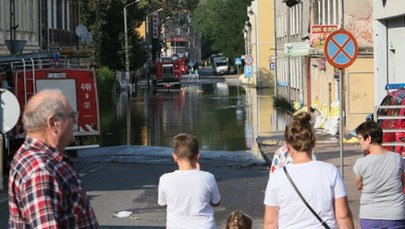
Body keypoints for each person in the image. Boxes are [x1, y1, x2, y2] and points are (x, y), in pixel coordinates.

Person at [8, 89, 99, 228]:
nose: (75, 120)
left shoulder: (42, 160)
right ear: (53, 123)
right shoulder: (40, 171)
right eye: (71, 115)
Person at [263, 111, 354, 229]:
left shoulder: (277, 177)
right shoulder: (330, 172)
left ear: (287, 145)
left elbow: (271, 222)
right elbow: (343, 216)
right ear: (314, 142)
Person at [158, 133, 221, 229]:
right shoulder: (208, 178)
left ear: (174, 156)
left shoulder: (164, 179)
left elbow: (163, 203)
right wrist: (198, 174)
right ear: (197, 156)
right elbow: (216, 202)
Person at [353, 120, 405, 228]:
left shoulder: (361, 163)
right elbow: (402, 182)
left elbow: (358, 184)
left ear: (369, 139)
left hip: (370, 215)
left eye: (360, 138)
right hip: (395, 215)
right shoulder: (397, 158)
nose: (359, 142)